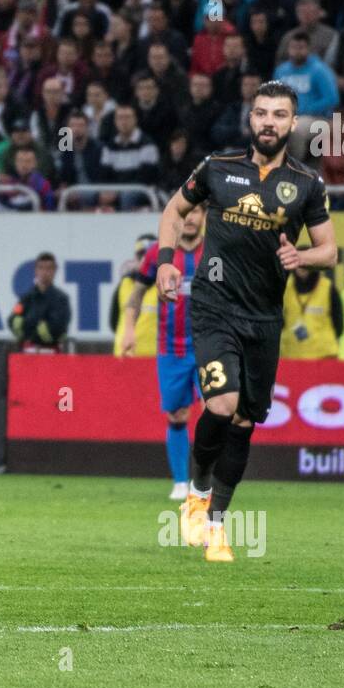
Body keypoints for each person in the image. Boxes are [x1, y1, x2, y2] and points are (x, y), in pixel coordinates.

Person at [157, 81, 337, 562]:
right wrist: (167, 261)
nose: (269, 122)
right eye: (261, 113)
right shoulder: (218, 168)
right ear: (250, 119)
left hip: (264, 318)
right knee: (221, 404)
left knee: (242, 421)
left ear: (292, 124)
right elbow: (175, 210)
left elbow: (330, 249)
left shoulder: (307, 183)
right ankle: (196, 492)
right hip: (215, 307)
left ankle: (217, 525)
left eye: (279, 115)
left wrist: (303, 256)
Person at [122, 205, 206, 500]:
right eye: (187, 214)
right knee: (176, 414)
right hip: (171, 348)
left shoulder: (216, 250)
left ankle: (206, 483)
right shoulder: (159, 252)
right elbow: (137, 292)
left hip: (210, 346)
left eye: (197, 213)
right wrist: (129, 330)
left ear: (205, 217)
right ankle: (181, 482)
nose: (192, 219)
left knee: (214, 411)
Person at [280, 248, 343, 359]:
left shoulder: (327, 287)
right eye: (298, 262)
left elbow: (339, 323)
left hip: (324, 356)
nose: (302, 267)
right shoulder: (285, 288)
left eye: (305, 263)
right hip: (291, 356)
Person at [8, 252, 71, 352]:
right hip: (27, 352)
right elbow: (13, 320)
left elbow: (57, 328)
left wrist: (28, 327)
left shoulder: (61, 299)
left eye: (49, 268)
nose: (44, 272)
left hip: (51, 353)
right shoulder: (26, 298)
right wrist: (39, 325)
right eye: (41, 268)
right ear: (35, 271)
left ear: (55, 270)